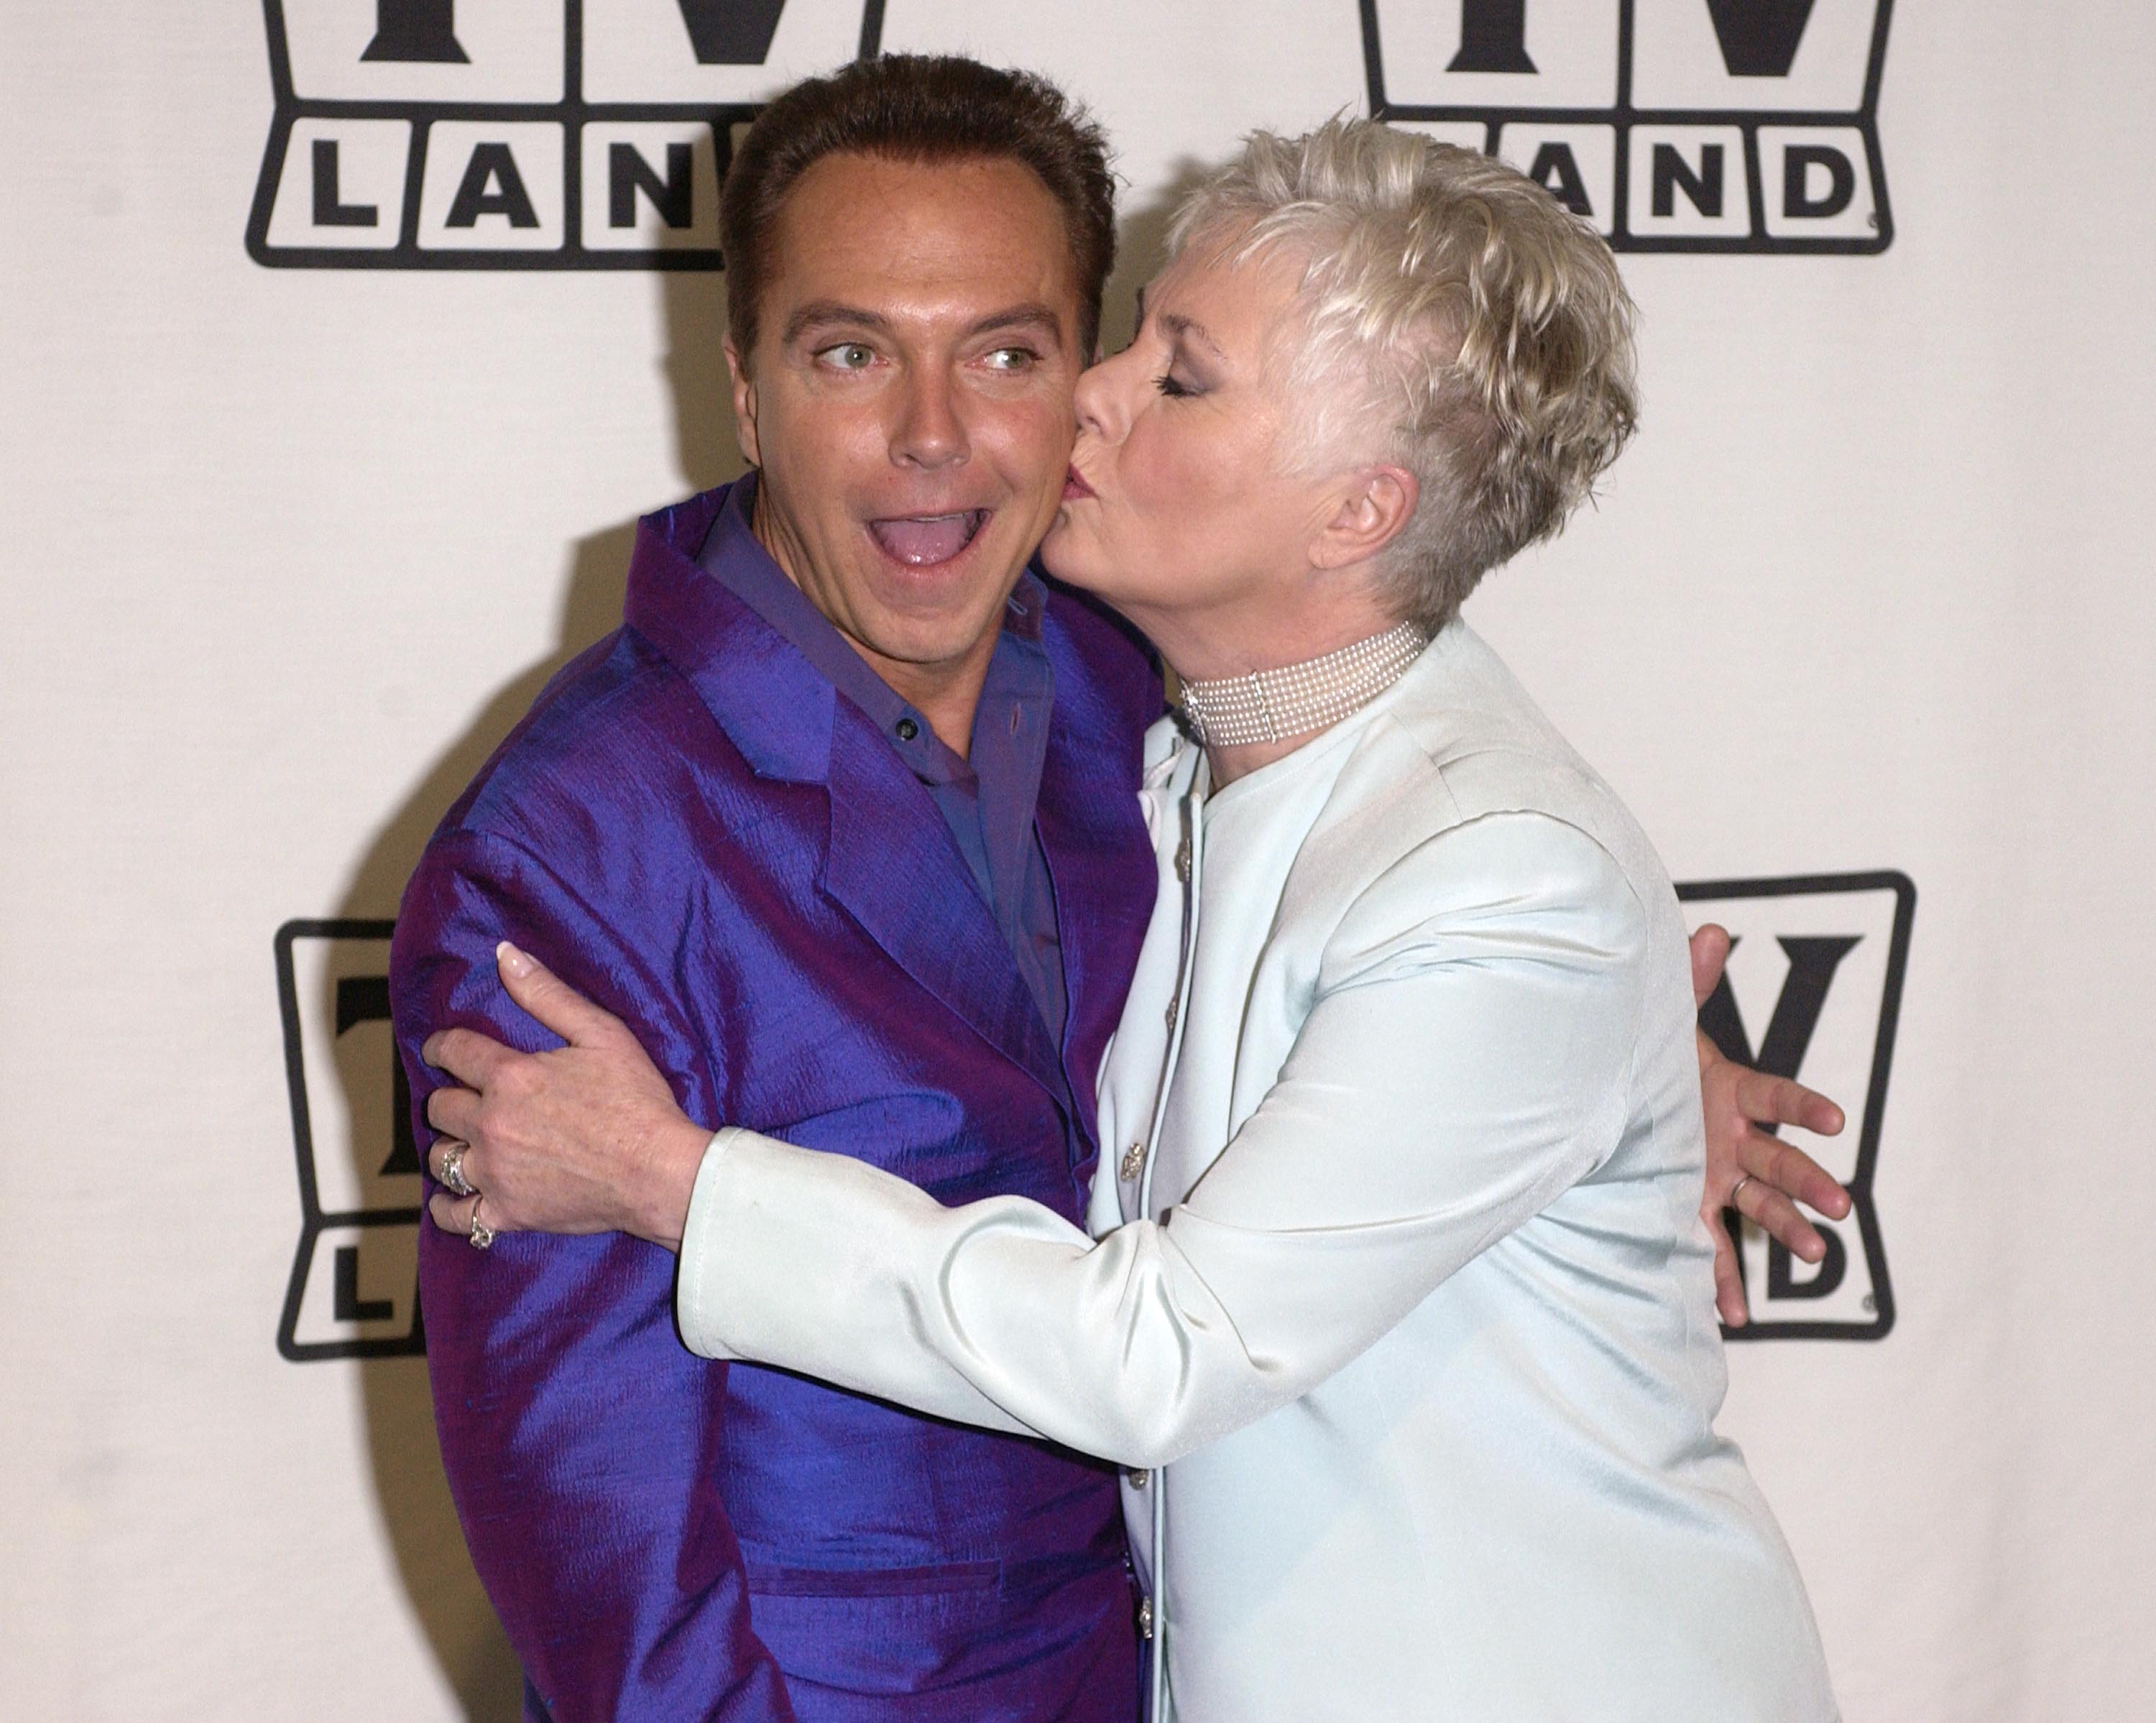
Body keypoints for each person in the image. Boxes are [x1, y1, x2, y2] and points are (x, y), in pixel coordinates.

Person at [400, 56, 1847, 1722]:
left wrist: (1608, 1070)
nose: (948, 428)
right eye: (853, 351)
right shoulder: (571, 843)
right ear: (747, 385)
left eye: (1025, 352)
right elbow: (587, 1511)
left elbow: (1184, 1308)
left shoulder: (1122, 690)